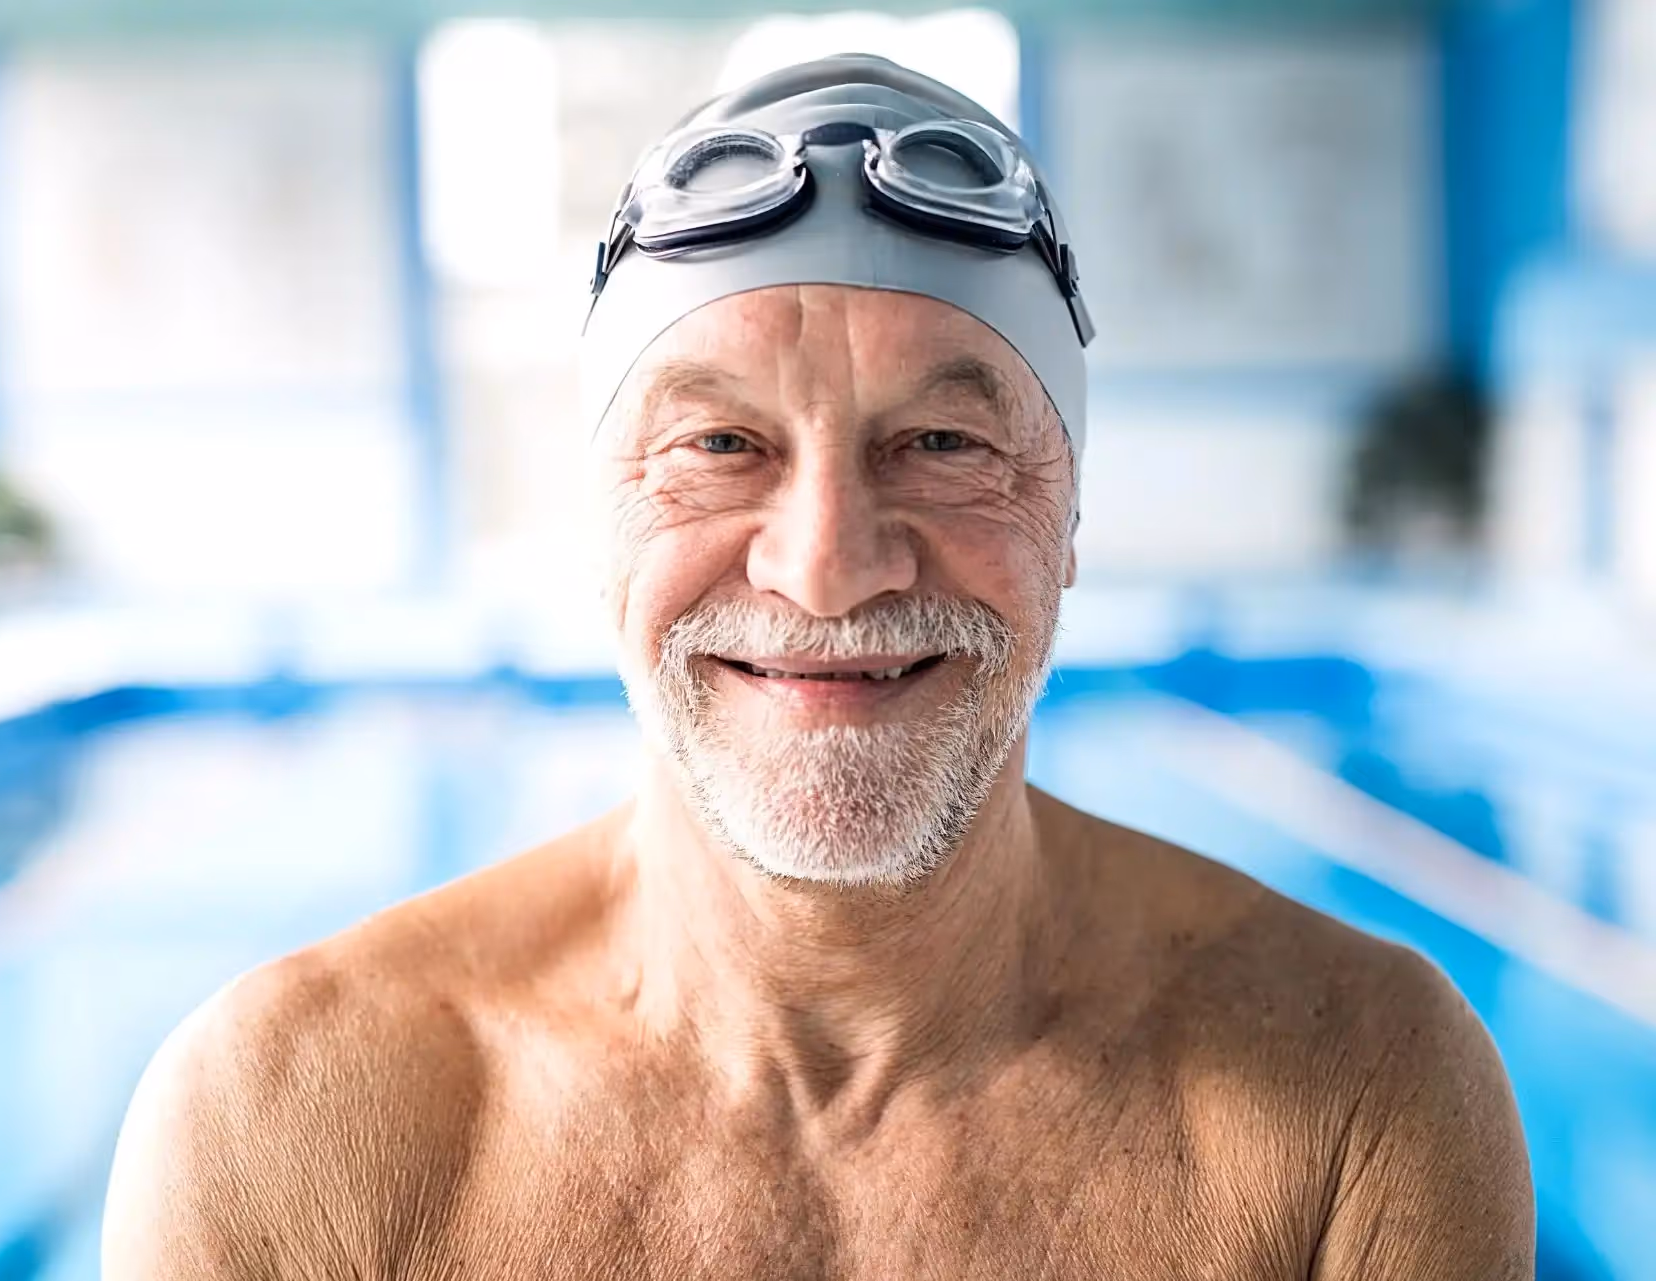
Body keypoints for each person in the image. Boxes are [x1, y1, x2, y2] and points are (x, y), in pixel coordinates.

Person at [102, 55, 1532, 1279]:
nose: (829, 565)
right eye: (720, 447)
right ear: (597, 528)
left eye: (946, 445)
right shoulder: (285, 1122)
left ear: (1072, 518)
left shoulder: (1363, 1090)